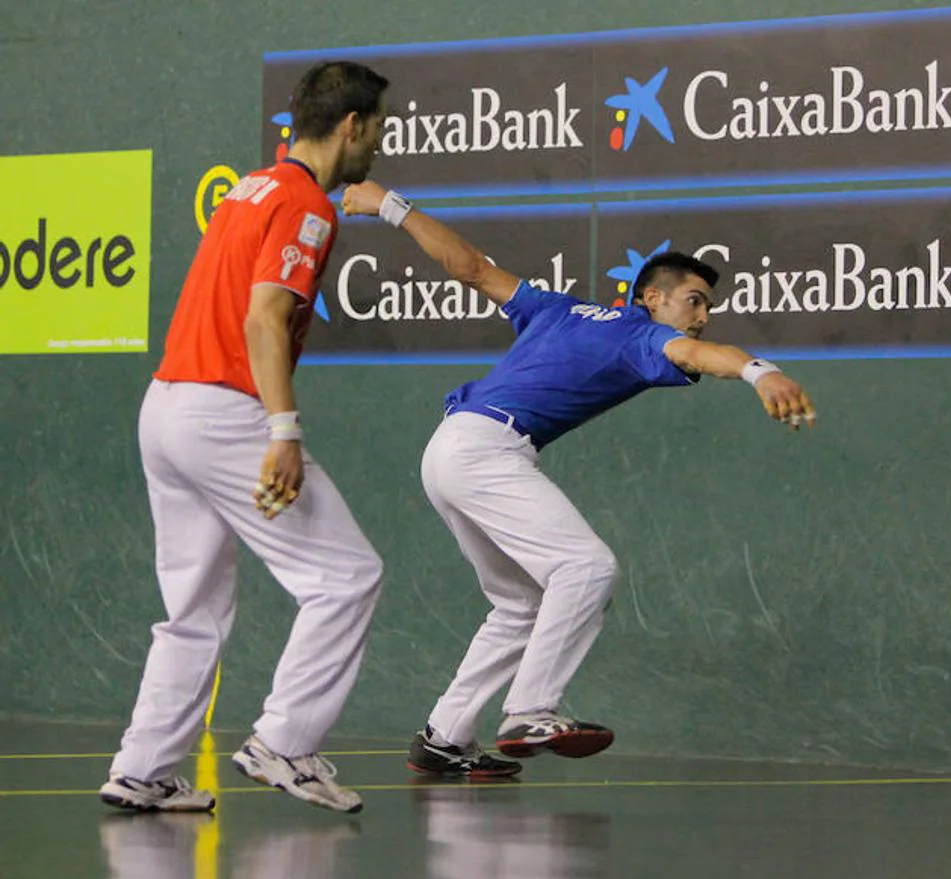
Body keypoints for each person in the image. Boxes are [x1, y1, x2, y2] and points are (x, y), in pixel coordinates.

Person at [340, 179, 817, 778]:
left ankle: (444, 736)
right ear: (653, 298)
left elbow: (468, 267)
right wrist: (760, 373)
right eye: (694, 300)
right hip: (486, 449)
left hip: (450, 449)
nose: (702, 315)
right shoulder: (646, 334)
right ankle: (530, 709)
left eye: (708, 306)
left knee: (517, 605)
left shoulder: (556, 308)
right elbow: (699, 356)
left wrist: (389, 204)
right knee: (587, 568)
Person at [99, 61, 392, 815]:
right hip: (223, 412)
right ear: (351, 126)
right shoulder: (305, 205)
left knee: (192, 609)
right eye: (379, 126)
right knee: (347, 575)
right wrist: (282, 428)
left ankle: (143, 769)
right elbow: (264, 317)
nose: (380, 143)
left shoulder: (249, 187)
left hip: (165, 404)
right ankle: (284, 744)